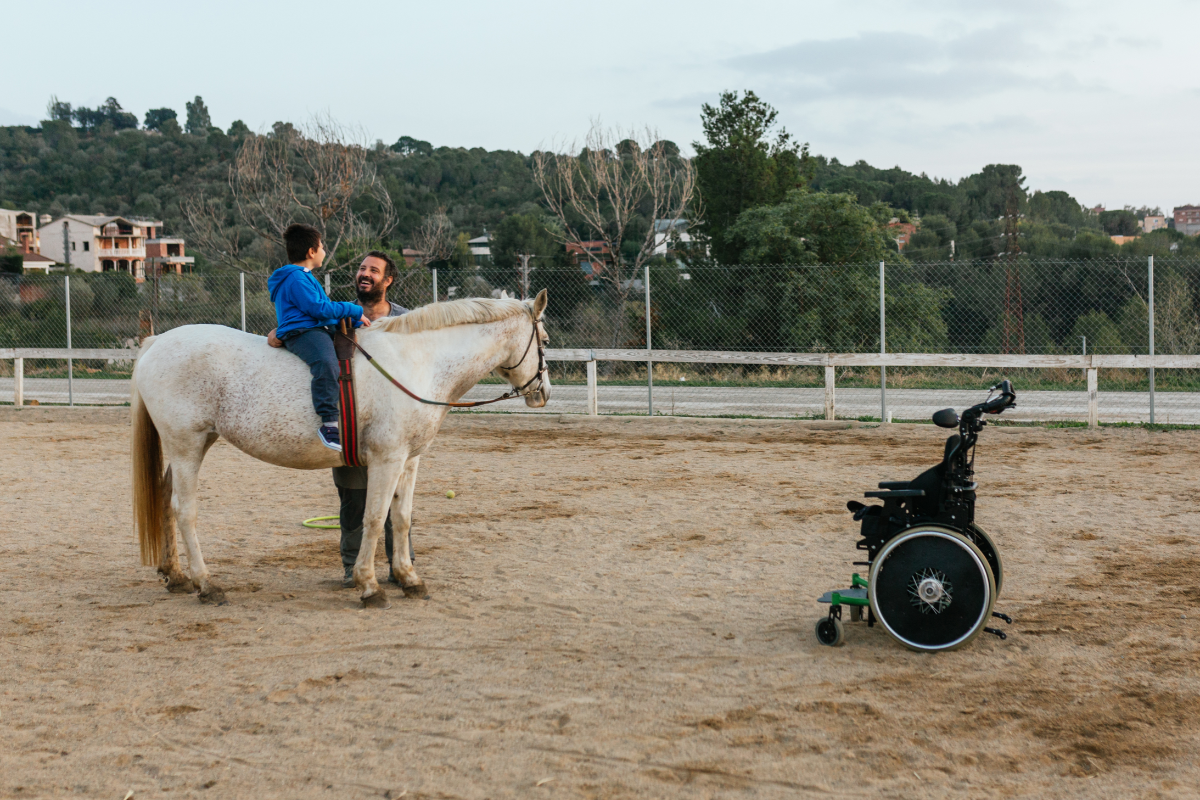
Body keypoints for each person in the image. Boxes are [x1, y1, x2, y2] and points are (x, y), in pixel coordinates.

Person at [269, 251, 410, 587]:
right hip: (351, 423)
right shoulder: (339, 316)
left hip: (391, 426)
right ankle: (352, 566)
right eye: (362, 269)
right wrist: (279, 331)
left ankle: (400, 563)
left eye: (373, 271)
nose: (365, 274)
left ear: (387, 281)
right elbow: (309, 338)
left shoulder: (406, 321)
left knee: (396, 497)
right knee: (352, 500)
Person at [266, 223, 370, 452]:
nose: (324, 250)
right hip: (303, 332)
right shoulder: (296, 278)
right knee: (326, 362)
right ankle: (329, 423)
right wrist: (353, 310)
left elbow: (323, 312)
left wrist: (352, 321)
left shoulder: (304, 276)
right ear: (311, 252)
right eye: (322, 246)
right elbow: (318, 309)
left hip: (313, 326)